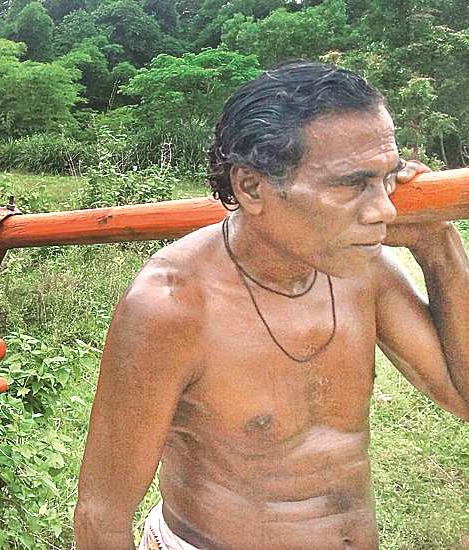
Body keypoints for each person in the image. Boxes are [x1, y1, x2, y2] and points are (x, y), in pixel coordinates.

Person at [74, 60, 469, 550]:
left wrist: (440, 246)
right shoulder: (174, 305)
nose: (384, 210)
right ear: (252, 187)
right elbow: (101, 516)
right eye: (351, 184)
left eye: (387, 179)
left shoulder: (363, 269)